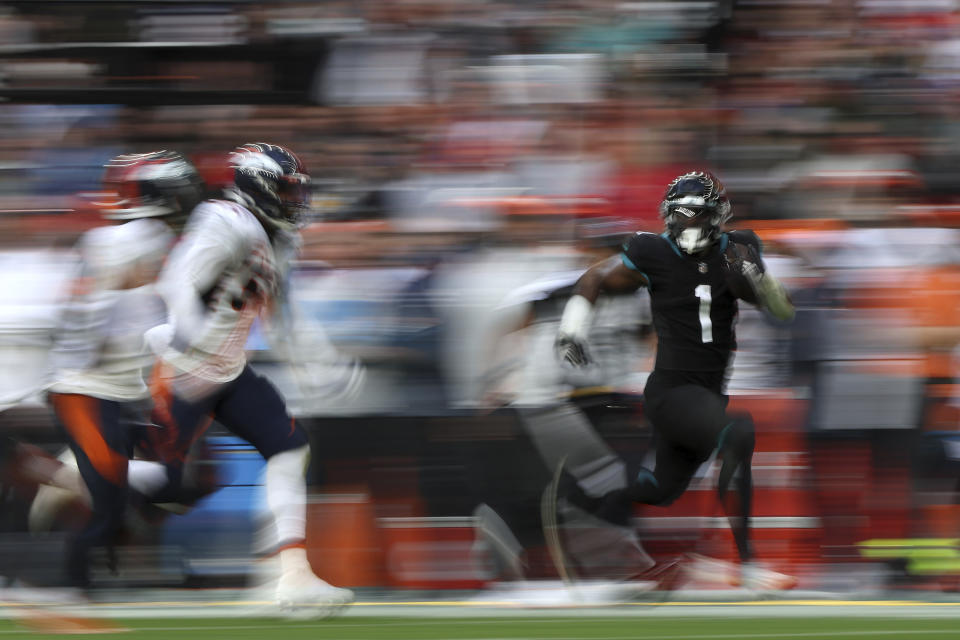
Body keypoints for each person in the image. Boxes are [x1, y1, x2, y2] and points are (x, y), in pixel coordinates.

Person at [553, 171, 796, 589]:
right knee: (739, 433)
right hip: (670, 391)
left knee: (658, 489)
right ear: (669, 215)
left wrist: (755, 276)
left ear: (717, 216)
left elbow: (781, 310)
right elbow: (594, 277)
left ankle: (576, 507)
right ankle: (748, 564)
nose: (690, 223)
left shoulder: (739, 248)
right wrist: (572, 329)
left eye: (698, 214)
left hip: (706, 396)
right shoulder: (651, 250)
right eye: (682, 215)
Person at [142, 143, 357, 614]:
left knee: (290, 447)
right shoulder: (226, 221)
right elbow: (177, 282)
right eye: (285, 190)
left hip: (229, 370)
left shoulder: (279, 239)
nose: (294, 201)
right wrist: (191, 339)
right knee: (169, 488)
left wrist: (320, 364)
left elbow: (284, 318)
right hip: (184, 368)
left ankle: (290, 574)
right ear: (257, 187)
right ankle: (73, 471)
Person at [46, 217, 173, 591]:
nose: (153, 267)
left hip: (123, 401)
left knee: (164, 485)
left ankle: (68, 477)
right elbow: (78, 354)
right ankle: (74, 583)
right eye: (147, 261)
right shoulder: (97, 298)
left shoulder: (149, 295)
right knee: (108, 494)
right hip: (81, 398)